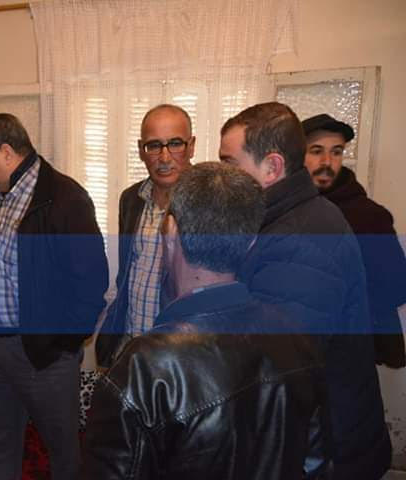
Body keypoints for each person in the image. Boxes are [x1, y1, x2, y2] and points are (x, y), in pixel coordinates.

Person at [82, 162, 327, 479]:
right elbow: (316, 464)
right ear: (251, 242)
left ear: (170, 231)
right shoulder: (295, 334)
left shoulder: (143, 368)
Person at [219, 102, 391, 480]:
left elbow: (278, 373)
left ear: (272, 168)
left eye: (230, 164)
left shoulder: (300, 240)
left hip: (322, 454)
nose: (222, 176)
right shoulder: (284, 218)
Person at [0, 113, 108, 480]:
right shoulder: (0, 198)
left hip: (40, 352)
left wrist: (62, 345)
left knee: (62, 448)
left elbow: (92, 282)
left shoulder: (65, 198)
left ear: (6, 152)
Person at [302, 113, 406, 368]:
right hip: (298, 350)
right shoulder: (288, 210)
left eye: (336, 152)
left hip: (349, 353)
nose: (327, 162)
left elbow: (396, 287)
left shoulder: (369, 216)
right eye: (316, 151)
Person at [96, 104, 195, 368]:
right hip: (128, 349)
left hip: (179, 356)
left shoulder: (210, 201)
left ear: (191, 146)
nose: (164, 157)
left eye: (175, 143)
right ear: (141, 150)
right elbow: (126, 276)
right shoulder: (131, 199)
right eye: (154, 145)